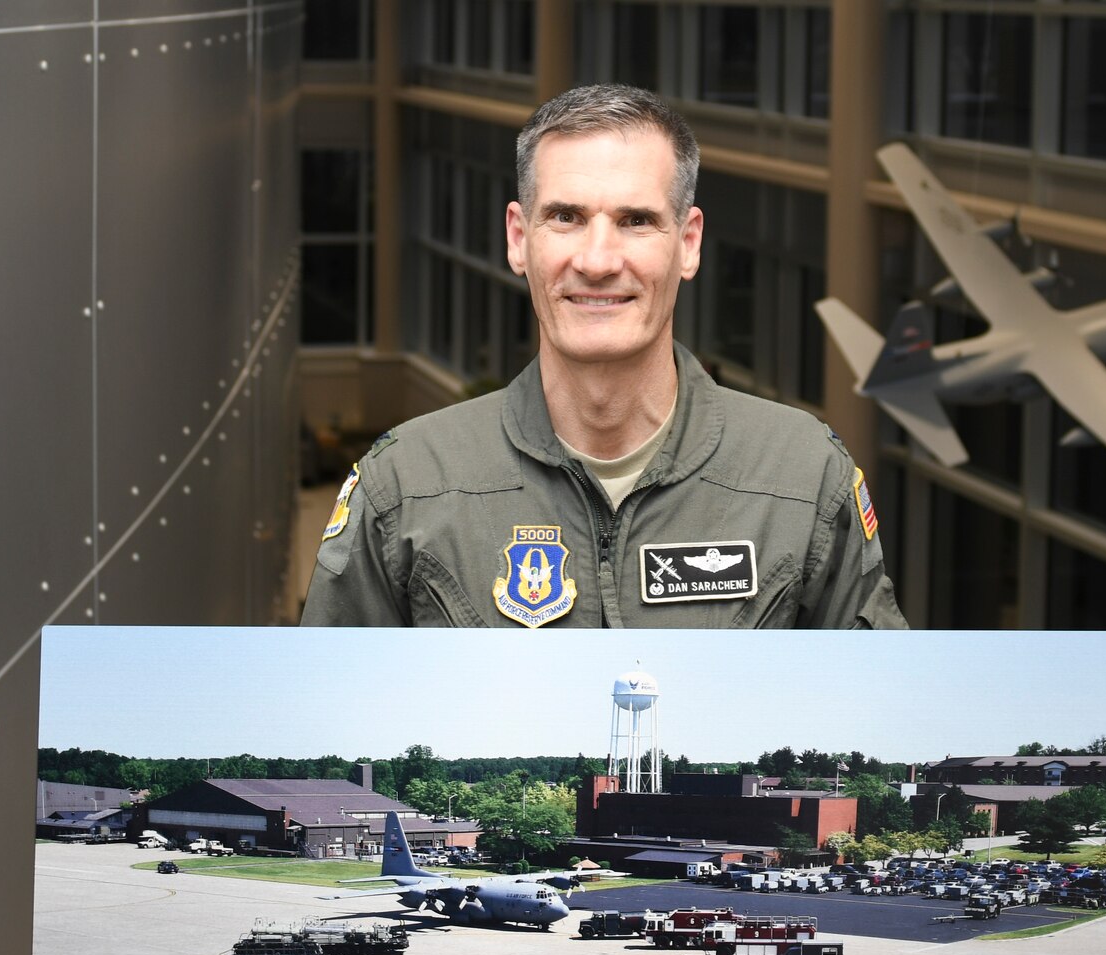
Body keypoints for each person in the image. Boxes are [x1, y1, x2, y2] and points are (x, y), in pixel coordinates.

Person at [301, 84, 904, 631]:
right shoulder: (406, 487)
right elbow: (323, 718)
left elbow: (880, 716)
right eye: (565, 217)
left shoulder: (803, 478)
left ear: (688, 244)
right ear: (519, 238)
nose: (596, 259)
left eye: (636, 221)